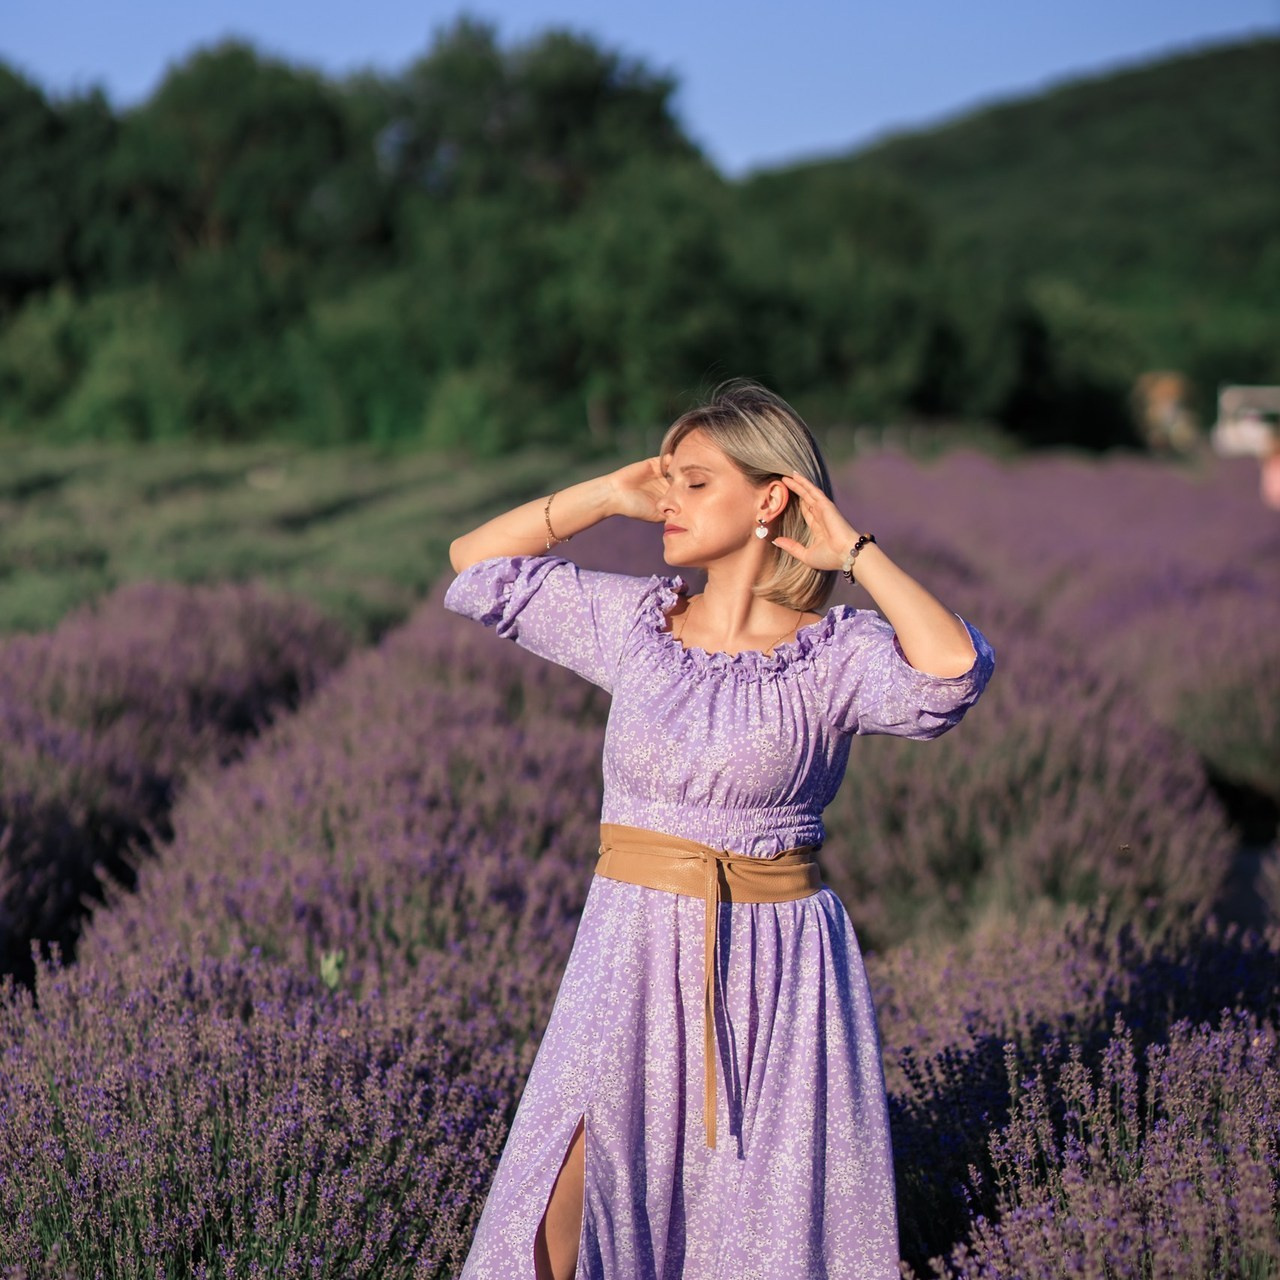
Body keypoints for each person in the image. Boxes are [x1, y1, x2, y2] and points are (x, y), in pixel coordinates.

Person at [444, 381, 995, 1280]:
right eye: (668, 483)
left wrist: (853, 550)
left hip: (775, 963)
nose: (669, 501)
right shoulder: (639, 622)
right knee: (552, 1223)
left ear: (770, 497)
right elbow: (477, 565)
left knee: (754, 1230)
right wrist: (609, 495)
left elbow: (954, 672)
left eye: (694, 482)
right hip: (625, 956)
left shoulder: (840, 651)